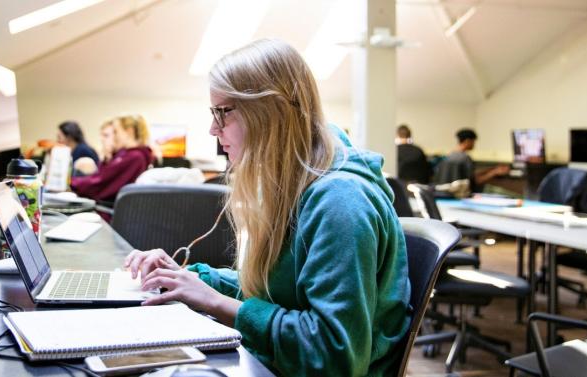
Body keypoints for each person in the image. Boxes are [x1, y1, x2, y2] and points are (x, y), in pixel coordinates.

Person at [123, 39, 410, 376]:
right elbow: (277, 294)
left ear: (270, 111)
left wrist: (216, 302)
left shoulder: (340, 203)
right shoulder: (297, 183)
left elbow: (335, 357)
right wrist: (188, 278)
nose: (213, 129)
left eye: (222, 112)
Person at [70, 114, 154, 202]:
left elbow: (100, 184)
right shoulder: (128, 154)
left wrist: (71, 183)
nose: (114, 137)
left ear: (129, 131)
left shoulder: (134, 157)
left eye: (116, 132)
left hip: (108, 210)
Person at [432, 128, 510, 192]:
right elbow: (475, 181)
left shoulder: (449, 156)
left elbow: (469, 175)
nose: (474, 144)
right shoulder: (465, 158)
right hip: (461, 194)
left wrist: (491, 169)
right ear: (467, 141)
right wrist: (494, 173)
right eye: (473, 142)